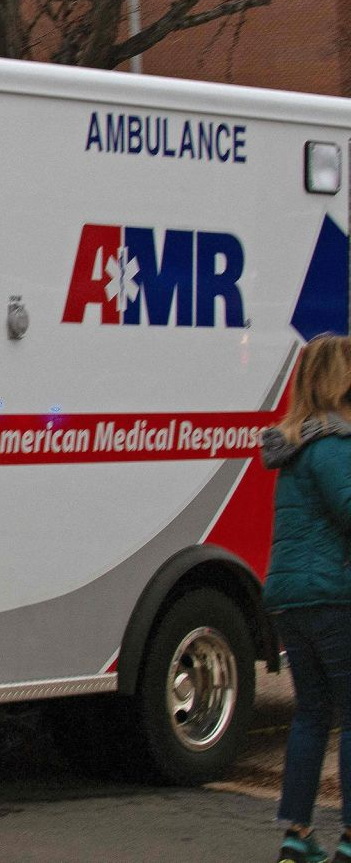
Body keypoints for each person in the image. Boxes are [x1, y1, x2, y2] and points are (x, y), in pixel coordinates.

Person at [261, 334, 351, 863]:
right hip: (333, 596)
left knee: (312, 714)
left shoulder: (293, 448)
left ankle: (297, 834)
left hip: (290, 597)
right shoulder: (334, 447)